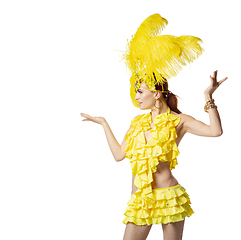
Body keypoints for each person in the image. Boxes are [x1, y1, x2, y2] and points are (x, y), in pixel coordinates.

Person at [80, 14, 227, 240]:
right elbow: (119, 155)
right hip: (141, 199)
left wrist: (208, 97)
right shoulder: (137, 123)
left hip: (169, 197)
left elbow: (215, 131)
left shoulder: (179, 121)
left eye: (140, 91)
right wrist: (103, 124)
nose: (136, 96)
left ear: (156, 94)